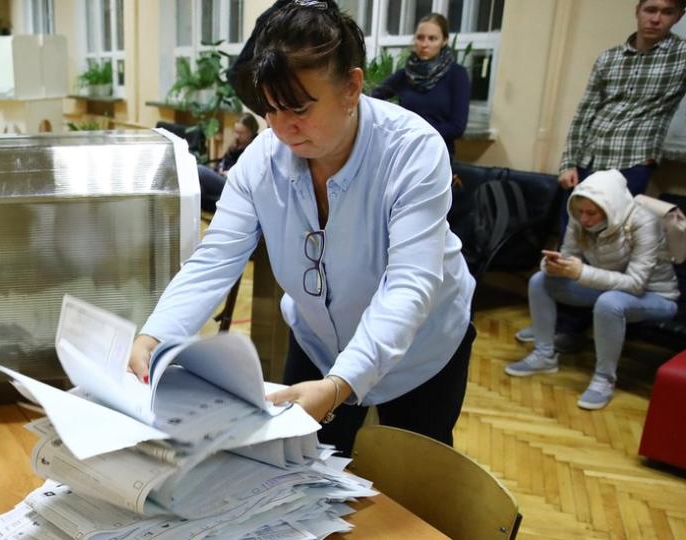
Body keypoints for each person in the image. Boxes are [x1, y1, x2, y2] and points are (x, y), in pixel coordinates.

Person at [128, 0, 476, 457]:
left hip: (423, 349)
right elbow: (215, 260)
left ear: (352, 86)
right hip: (318, 339)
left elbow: (411, 285)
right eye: (270, 110)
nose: (283, 128)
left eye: (299, 108)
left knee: (416, 476)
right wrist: (156, 334)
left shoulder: (411, 150)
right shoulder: (261, 160)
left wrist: (341, 384)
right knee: (303, 467)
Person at [518, 0, 686, 350]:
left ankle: (577, 331)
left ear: (679, 17)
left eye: (667, 12)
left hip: (631, 165)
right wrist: (569, 161)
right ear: (637, 10)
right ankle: (555, 324)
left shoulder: (680, 56)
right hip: (589, 163)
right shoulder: (610, 57)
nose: (656, 18)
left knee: (611, 252)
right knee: (574, 245)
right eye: (649, 8)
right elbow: (585, 111)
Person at [504, 170, 679, 410]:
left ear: (610, 207)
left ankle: (604, 379)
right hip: (607, 288)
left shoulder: (644, 223)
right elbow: (569, 257)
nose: (584, 219)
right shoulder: (579, 220)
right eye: (580, 212)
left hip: (656, 296)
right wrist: (554, 266)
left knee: (609, 303)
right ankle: (544, 355)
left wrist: (580, 273)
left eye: (591, 213)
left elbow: (636, 283)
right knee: (540, 281)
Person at [370, 13, 470, 156]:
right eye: (420, 38)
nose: (424, 44)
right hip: (404, 152)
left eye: (432, 39)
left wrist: (417, 133)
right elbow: (373, 98)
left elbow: (457, 127)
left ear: (444, 41)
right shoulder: (406, 74)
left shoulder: (457, 74)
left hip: (437, 153)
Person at [198, 113, 261, 213]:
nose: (236, 135)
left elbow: (251, 176)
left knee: (199, 170)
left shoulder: (255, 148)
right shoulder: (236, 145)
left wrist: (231, 173)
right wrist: (219, 169)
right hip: (223, 178)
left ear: (251, 132)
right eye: (235, 131)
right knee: (199, 189)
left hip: (234, 184)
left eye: (241, 133)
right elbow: (223, 161)